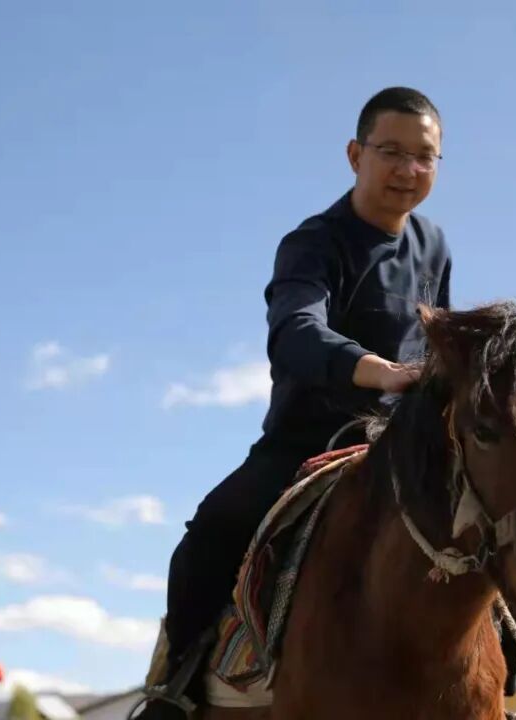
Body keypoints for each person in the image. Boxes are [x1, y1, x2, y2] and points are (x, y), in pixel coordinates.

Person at [135, 86, 458, 719]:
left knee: (492, 518)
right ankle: (174, 690)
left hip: (401, 448)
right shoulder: (312, 242)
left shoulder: (435, 246)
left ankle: (500, 677)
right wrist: (380, 373)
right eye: (391, 151)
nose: (408, 170)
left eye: (425, 157)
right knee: (210, 531)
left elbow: (439, 342)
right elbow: (296, 332)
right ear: (354, 154)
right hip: (305, 443)